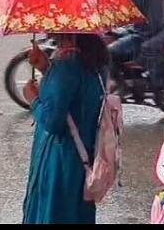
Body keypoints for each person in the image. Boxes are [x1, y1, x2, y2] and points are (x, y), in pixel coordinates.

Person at [22, 34, 108, 224]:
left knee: (54, 213)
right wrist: (46, 68)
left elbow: (52, 121)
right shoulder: (96, 60)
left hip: (59, 160)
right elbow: (74, 98)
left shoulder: (66, 66)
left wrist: (33, 100)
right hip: (83, 155)